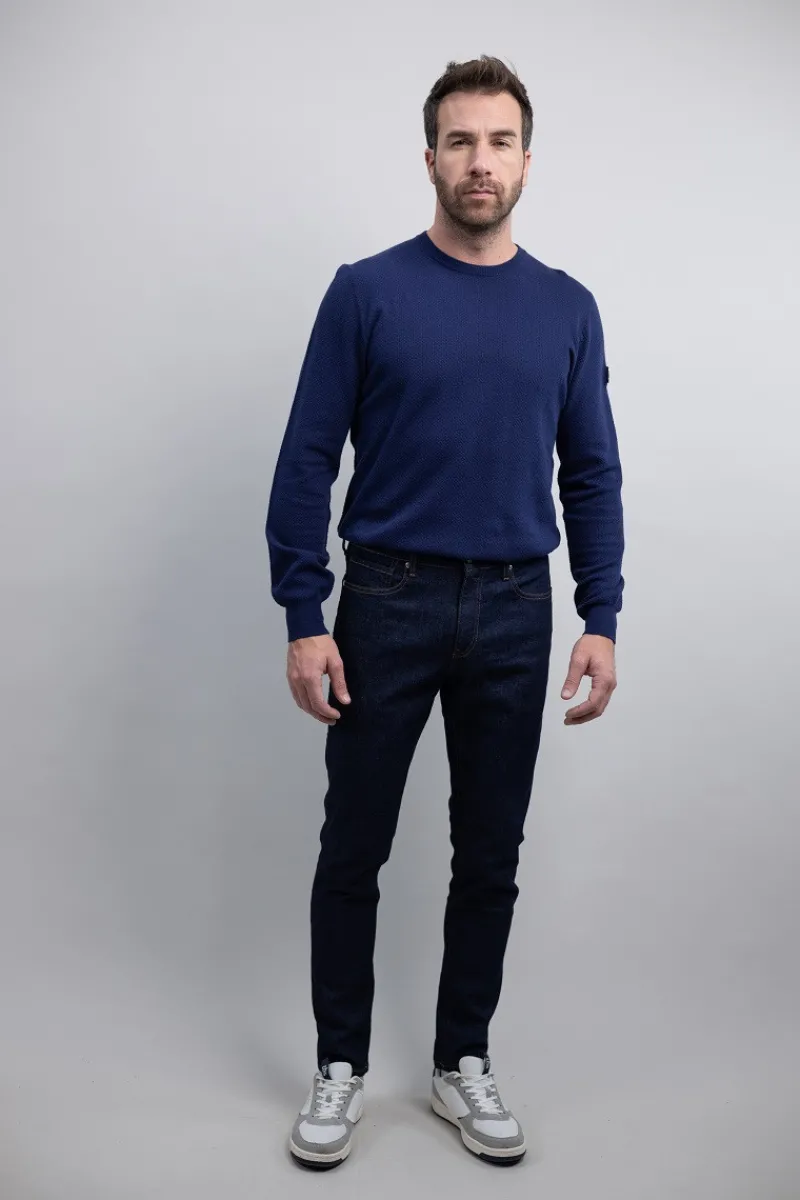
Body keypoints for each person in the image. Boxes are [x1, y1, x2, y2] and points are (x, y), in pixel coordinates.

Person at [265, 54, 625, 1171]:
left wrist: (601, 615)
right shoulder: (366, 292)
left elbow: (591, 475)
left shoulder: (566, 308)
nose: (480, 161)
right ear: (429, 157)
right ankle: (339, 1064)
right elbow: (306, 456)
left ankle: (460, 1058)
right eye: (460, 140)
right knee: (353, 848)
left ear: (526, 160)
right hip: (385, 599)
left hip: (517, 607)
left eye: (499, 141)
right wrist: (304, 613)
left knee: (490, 856)